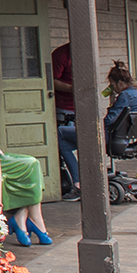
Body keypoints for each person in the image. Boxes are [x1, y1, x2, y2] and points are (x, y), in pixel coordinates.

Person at [49, 41, 79, 199]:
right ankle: (70, 182)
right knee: (61, 143)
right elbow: (51, 81)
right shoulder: (62, 55)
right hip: (64, 108)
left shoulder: (86, 52)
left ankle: (80, 182)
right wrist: (71, 88)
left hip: (83, 109)